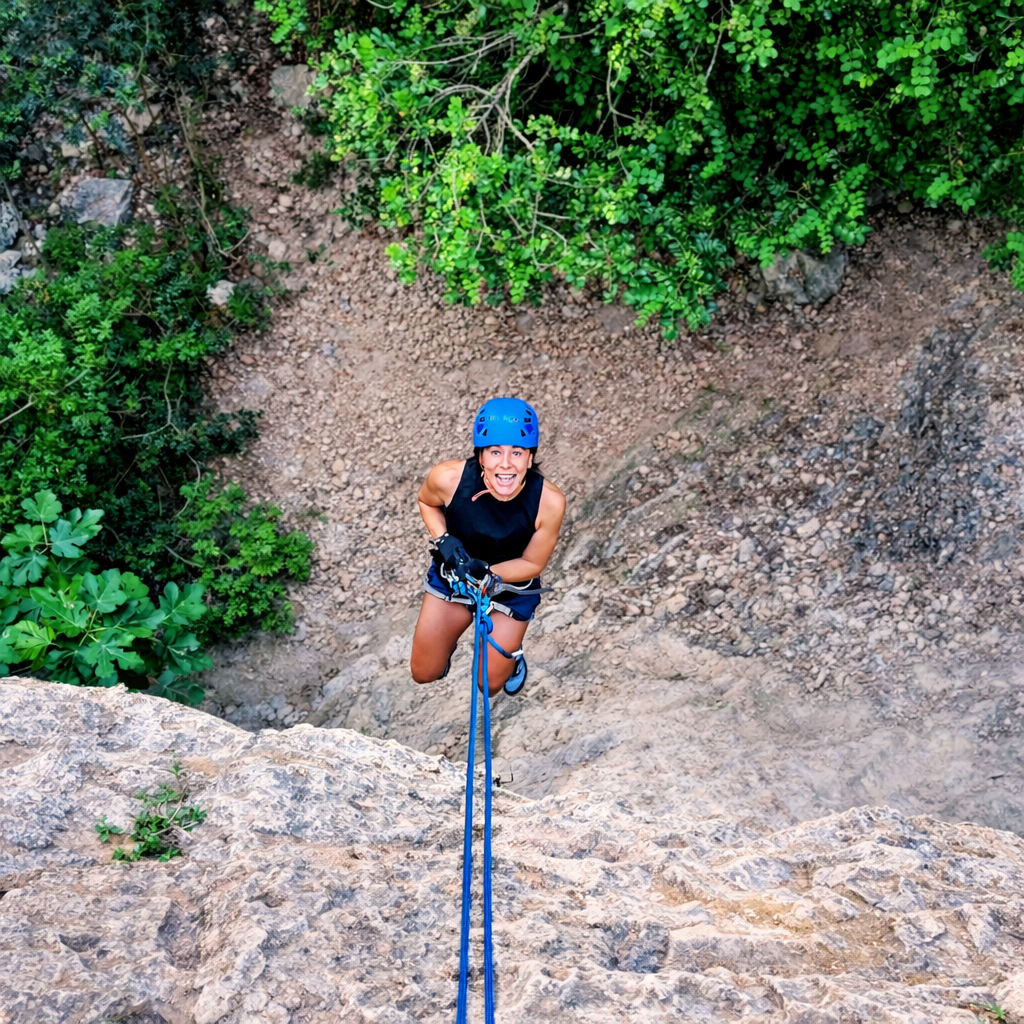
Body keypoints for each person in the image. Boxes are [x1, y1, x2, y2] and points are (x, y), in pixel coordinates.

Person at [410, 397, 566, 697]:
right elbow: (426, 502)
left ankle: (512, 655)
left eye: (517, 453)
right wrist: (444, 539)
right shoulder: (448, 479)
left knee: (489, 685)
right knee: (424, 672)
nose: (505, 464)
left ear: (530, 458)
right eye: (495, 452)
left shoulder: (548, 502)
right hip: (454, 578)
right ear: (481, 456)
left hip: (511, 590)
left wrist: (489, 575)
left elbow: (533, 564)